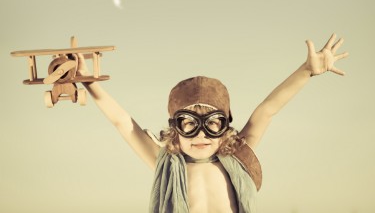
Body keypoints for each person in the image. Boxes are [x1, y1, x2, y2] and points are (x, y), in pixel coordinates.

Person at [78, 34, 348, 213]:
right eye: (188, 124)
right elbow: (123, 123)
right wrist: (89, 84)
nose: (201, 135)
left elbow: (267, 110)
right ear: (175, 129)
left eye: (213, 123)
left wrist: (306, 71)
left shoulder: (238, 156)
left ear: (225, 127)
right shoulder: (168, 162)